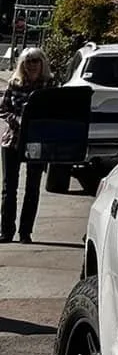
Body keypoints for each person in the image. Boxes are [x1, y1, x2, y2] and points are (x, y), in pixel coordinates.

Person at [1, 46, 53, 245]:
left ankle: (25, 233)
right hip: (12, 141)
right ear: (22, 64)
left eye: (35, 61)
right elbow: (3, 108)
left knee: (32, 188)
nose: (32, 65)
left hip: (37, 143)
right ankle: (6, 231)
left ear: (42, 64)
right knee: (9, 188)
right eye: (28, 61)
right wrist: (16, 121)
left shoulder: (49, 85)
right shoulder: (14, 83)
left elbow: (54, 111)